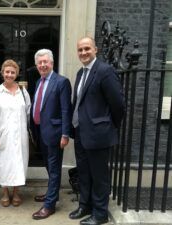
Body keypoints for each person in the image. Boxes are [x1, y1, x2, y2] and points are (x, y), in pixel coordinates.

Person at [69, 37, 125, 225]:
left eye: (87, 49)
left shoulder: (105, 71)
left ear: (95, 50)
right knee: (84, 173)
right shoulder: (80, 73)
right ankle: (85, 205)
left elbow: (118, 103)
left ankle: (100, 213)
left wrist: (109, 125)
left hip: (98, 134)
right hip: (80, 132)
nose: (83, 52)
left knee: (99, 176)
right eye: (80, 50)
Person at [30, 49, 72, 220]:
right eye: (39, 63)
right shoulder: (39, 82)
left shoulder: (61, 82)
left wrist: (65, 134)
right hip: (40, 132)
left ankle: (49, 206)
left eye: (45, 62)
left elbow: (65, 110)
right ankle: (51, 194)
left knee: (54, 169)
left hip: (55, 133)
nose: (42, 65)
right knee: (48, 166)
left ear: (52, 63)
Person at [0, 59, 31, 207]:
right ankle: (5, 192)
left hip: (20, 136)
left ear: (16, 74)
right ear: (2, 73)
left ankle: (16, 192)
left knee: (19, 163)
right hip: (3, 135)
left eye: (13, 72)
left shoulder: (23, 92)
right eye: (7, 72)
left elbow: (28, 113)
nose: (10, 75)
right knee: (4, 163)